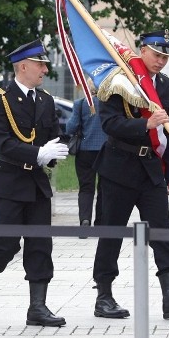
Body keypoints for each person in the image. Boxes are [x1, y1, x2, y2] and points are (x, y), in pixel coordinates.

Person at [91, 29, 169, 321]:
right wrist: (145, 125)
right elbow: (110, 124)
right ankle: (104, 295)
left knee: (162, 232)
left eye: (165, 56)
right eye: (156, 54)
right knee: (111, 233)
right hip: (119, 165)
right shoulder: (118, 78)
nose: (161, 61)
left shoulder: (165, 86)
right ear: (142, 50)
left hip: (151, 168)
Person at [0, 40, 69, 327]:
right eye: (40, 64)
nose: (45, 70)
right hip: (7, 180)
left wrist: (58, 149)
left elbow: (54, 134)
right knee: (7, 243)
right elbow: (2, 142)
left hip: (35, 182)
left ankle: (37, 307)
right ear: (23, 66)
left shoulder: (45, 100)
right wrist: (38, 152)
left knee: (40, 244)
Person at [64, 81, 107, 230]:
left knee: (86, 188)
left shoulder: (80, 103)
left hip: (85, 151)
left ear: (88, 88)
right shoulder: (109, 104)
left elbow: (70, 127)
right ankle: (101, 222)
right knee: (104, 188)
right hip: (105, 151)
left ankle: (84, 220)